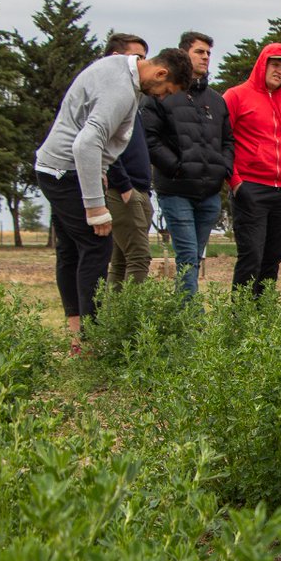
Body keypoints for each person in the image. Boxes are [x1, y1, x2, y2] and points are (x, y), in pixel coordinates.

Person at [35, 46, 192, 353]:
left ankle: (77, 336)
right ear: (160, 73)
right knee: (96, 244)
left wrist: (102, 168)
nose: (161, 97)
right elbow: (85, 144)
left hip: (55, 166)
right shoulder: (122, 90)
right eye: (165, 90)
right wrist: (96, 207)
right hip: (64, 171)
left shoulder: (120, 67)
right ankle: (91, 341)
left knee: (69, 250)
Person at [143, 31, 234, 296]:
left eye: (208, 53)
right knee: (186, 255)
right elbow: (150, 137)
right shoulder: (162, 93)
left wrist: (223, 168)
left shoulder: (216, 101)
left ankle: (184, 311)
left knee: (195, 256)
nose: (205, 57)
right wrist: (176, 167)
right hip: (176, 190)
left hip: (209, 193)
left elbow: (228, 139)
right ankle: (189, 320)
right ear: (184, 54)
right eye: (199, 52)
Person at [223, 42, 281, 297]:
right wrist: (236, 182)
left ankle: (264, 313)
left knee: (274, 256)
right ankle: (240, 317)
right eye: (275, 65)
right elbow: (223, 142)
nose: (279, 71)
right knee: (252, 255)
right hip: (251, 187)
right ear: (262, 64)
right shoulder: (235, 96)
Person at [100, 33, 154, 288]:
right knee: (139, 257)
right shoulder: (109, 96)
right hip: (123, 189)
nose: (142, 64)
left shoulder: (133, 97)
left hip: (140, 189)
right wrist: (123, 186)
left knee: (121, 260)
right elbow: (104, 145)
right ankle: (132, 321)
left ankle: (113, 317)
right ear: (115, 58)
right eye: (136, 57)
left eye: (144, 58)